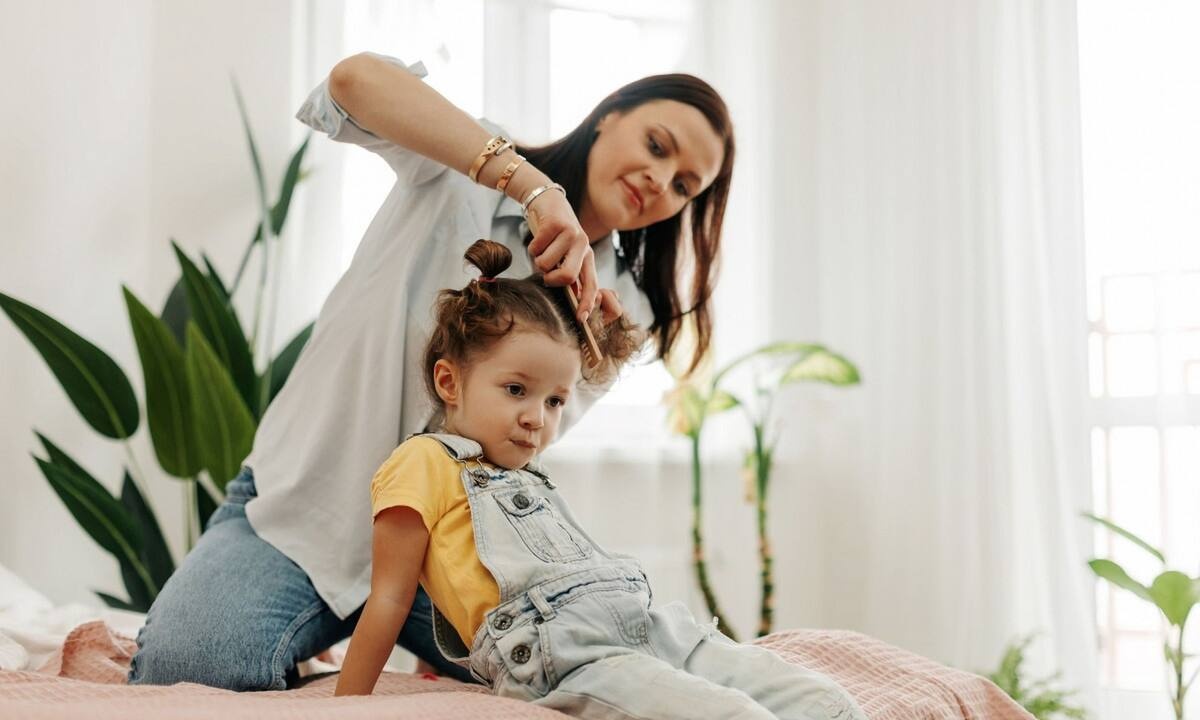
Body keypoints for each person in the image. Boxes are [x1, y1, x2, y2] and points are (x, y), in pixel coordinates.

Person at [129, 51, 735, 690]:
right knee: (183, 672)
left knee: (607, 683)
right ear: (608, 116)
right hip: (299, 517)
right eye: (657, 145)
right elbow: (352, 81)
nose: (660, 179)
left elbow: (514, 453)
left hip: (456, 564)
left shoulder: (619, 308)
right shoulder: (465, 169)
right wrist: (532, 187)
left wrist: (578, 351)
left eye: (683, 186)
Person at [334, 239, 865, 720]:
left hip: (650, 625)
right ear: (449, 381)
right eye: (516, 389)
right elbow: (388, 599)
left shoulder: (526, 475)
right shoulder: (423, 461)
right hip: (563, 654)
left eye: (555, 400)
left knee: (827, 704)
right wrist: (344, 710)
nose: (537, 417)